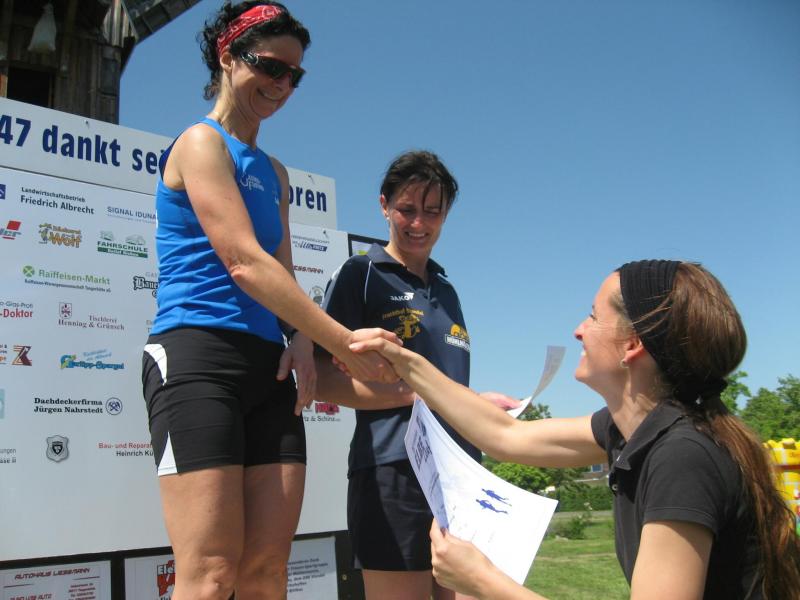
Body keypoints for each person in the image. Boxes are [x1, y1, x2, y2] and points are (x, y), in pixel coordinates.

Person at [140, 3, 398, 599]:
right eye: (270, 66)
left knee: (266, 571)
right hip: (198, 356)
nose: (282, 84)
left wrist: (303, 340)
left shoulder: (275, 173)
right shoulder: (200, 143)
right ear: (227, 56)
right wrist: (343, 343)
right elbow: (243, 261)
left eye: (294, 75)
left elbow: (281, 268)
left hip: (269, 368)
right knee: (210, 574)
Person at [350, 260, 800, 600]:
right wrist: (406, 363)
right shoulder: (631, 429)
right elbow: (505, 435)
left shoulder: (682, 456)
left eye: (593, 316)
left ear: (632, 344)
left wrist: (483, 582)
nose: (579, 330)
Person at [316, 150, 501, 600]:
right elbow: (321, 380)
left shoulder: (447, 289)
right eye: (407, 209)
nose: (419, 223)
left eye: (432, 211)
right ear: (384, 206)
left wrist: (476, 404)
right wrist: (415, 395)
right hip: (392, 469)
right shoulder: (360, 274)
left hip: (459, 472)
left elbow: (446, 385)